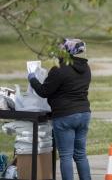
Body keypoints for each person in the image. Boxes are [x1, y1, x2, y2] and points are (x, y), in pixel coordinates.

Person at [28, 38, 92, 180]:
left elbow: (44, 91)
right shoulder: (86, 68)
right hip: (84, 113)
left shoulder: (59, 69)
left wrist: (32, 78)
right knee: (80, 154)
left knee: (66, 155)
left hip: (65, 116)